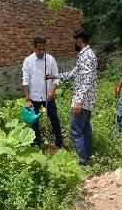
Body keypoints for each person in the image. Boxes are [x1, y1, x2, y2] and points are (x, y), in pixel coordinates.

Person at [46, 28, 97, 166]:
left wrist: (78, 101)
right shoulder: (87, 54)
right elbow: (74, 73)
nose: (74, 43)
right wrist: (54, 76)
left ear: (79, 41)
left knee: (75, 131)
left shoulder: (86, 56)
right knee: (85, 129)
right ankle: (88, 156)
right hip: (88, 101)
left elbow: (86, 79)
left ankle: (83, 162)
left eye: (75, 41)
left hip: (82, 101)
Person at [22, 37, 64, 148]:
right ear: (34, 47)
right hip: (34, 97)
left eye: (43, 49)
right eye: (39, 50)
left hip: (48, 97)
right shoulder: (28, 61)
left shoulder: (50, 60)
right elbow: (25, 81)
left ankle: (59, 142)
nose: (41, 52)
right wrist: (27, 99)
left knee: (54, 119)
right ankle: (37, 142)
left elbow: (56, 78)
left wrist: (52, 91)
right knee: (34, 121)